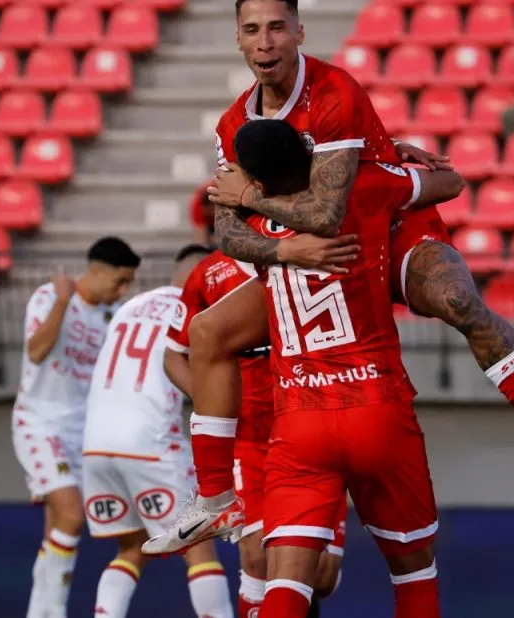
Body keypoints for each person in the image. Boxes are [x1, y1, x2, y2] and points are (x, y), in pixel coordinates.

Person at [143, 0, 514, 558]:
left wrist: (255, 203)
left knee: (459, 301)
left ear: (298, 32)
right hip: (318, 254)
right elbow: (226, 233)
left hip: (383, 230)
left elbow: (328, 211)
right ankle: (216, 502)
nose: (265, 41)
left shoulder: (334, 92)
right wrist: (285, 249)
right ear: (238, 40)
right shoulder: (231, 127)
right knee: (208, 333)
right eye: (251, 30)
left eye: (275, 27)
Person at [227, 118, 464, 616]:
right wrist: (384, 156)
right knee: (415, 576)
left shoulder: (246, 224)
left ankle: (207, 497)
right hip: (375, 406)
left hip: (298, 417)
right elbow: (451, 182)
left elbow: (228, 220)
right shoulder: (365, 187)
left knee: (285, 587)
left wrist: (247, 198)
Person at [164, 248, 344, 618]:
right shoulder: (209, 273)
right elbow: (172, 355)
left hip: (309, 430)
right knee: (257, 556)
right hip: (247, 440)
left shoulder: (309, 253)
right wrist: (216, 402)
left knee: (321, 575)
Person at [82, 244, 234, 618]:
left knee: (130, 549)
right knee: (199, 546)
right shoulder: (197, 312)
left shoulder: (128, 307)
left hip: (95, 446)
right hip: (149, 443)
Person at [13, 236, 141, 618]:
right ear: (97, 271)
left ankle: (41, 612)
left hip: (82, 433)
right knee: (71, 514)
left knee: (59, 528)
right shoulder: (49, 297)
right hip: (40, 423)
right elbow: (35, 351)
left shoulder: (112, 314)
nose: (123, 290)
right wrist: (63, 301)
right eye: (120, 281)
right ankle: (53, 610)